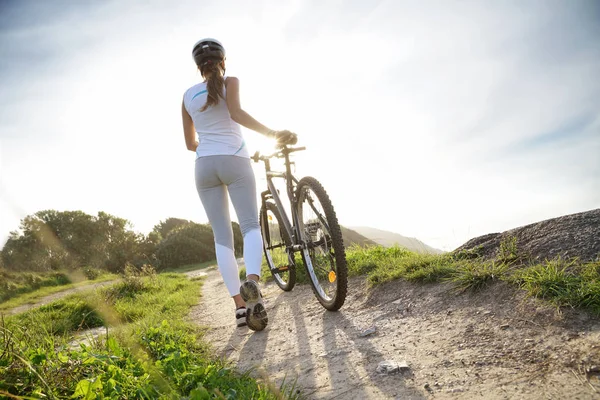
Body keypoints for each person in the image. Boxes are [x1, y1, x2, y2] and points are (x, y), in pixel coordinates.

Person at [181, 38, 296, 331]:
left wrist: (210, 150)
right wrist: (273, 133)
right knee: (250, 227)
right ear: (223, 62)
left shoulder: (186, 96)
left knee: (222, 239)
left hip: (204, 167)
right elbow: (236, 114)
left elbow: (189, 143)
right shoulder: (230, 81)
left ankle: (241, 309)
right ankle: (253, 281)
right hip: (235, 159)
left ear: (198, 68)